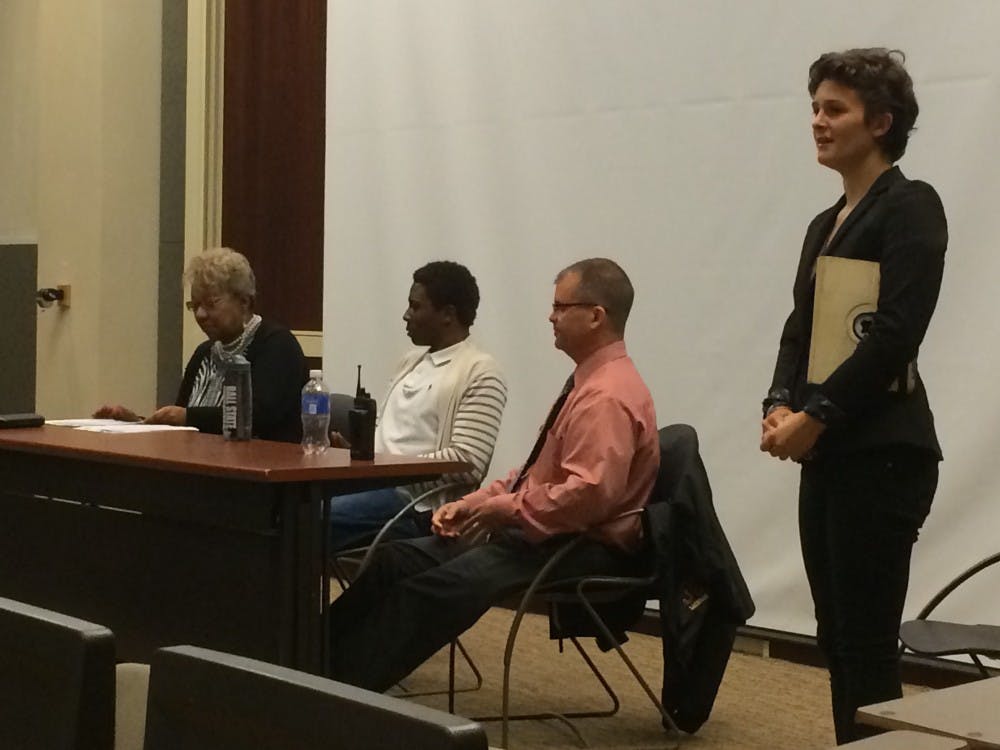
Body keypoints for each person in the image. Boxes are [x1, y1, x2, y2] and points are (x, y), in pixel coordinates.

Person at [326, 258, 658, 691]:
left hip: (579, 542)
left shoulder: (607, 395)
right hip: (549, 527)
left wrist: (508, 508)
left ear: (596, 316)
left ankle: (340, 689)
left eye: (561, 307)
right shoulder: (588, 381)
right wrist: (475, 502)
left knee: (435, 588)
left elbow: (588, 496)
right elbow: (535, 473)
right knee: (396, 560)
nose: (550, 316)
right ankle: (307, 661)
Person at [759, 49, 947, 744]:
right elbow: (798, 330)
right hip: (831, 454)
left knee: (866, 646)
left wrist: (818, 414)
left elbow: (895, 333)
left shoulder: (912, 206)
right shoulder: (824, 223)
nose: (817, 121)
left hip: (885, 454)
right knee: (835, 637)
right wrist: (779, 402)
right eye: (815, 108)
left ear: (882, 121)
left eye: (833, 109)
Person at [328, 261, 507, 549]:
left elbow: (467, 462)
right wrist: (358, 453)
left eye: (416, 307)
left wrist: (384, 468)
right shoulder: (409, 362)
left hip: (415, 505)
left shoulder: (480, 371)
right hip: (373, 485)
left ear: (448, 314)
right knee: (285, 508)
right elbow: (387, 435)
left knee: (306, 520)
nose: (406, 315)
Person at [96, 247, 308, 442]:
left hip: (262, 472)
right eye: (194, 305)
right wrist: (137, 423)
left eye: (210, 303)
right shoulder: (205, 353)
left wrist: (187, 416)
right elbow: (181, 422)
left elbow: (257, 417)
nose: (200, 314)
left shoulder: (277, 345)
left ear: (244, 301)